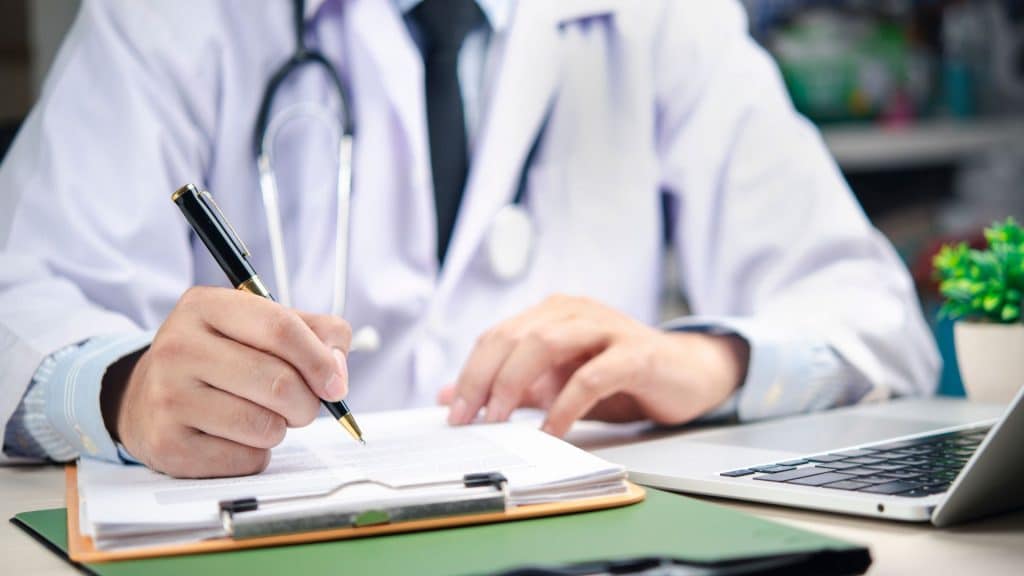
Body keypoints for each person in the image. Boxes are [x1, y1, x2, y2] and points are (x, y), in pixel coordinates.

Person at [0, 0, 939, 478]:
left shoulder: (663, 16)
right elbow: (21, 301)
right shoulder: (173, 18)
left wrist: (711, 360)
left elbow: (875, 316)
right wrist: (122, 390)